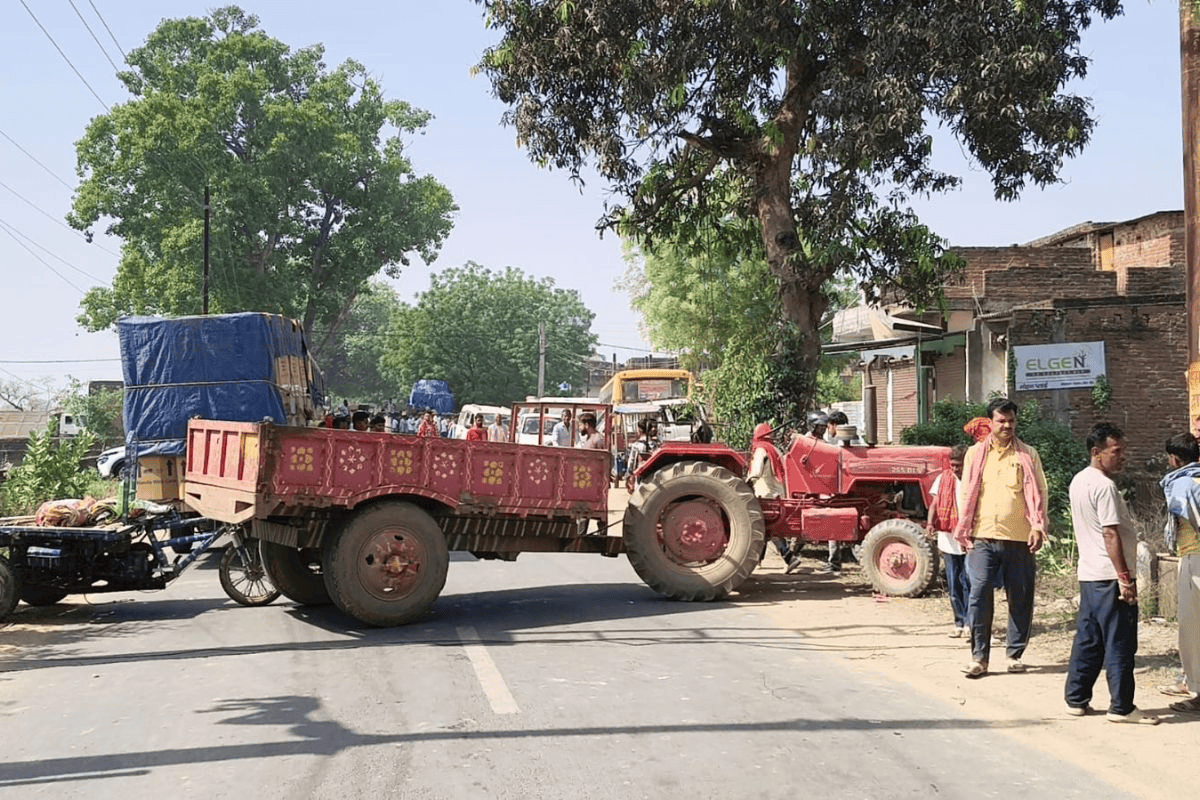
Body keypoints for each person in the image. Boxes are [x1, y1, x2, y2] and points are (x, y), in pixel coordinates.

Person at [1063, 423, 1158, 723]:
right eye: (1116, 452)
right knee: (1120, 641)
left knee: (1089, 638)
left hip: (1090, 574)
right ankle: (1122, 707)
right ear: (1096, 452)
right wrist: (1125, 578)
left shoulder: (1079, 481)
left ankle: (1076, 698)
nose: (1122, 457)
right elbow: (1110, 534)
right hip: (1108, 574)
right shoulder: (1104, 486)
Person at [953, 397, 1047, 678]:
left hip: (1019, 536)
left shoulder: (1027, 455)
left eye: (1011, 421)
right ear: (990, 423)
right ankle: (979, 658)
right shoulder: (975, 454)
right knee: (979, 594)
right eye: (1001, 421)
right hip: (981, 536)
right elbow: (965, 494)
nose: (1007, 426)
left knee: (1020, 596)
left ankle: (1014, 653)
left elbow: (1040, 491)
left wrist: (1038, 526)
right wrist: (964, 528)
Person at [1160, 432, 1200, 712]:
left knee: (1191, 627)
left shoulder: (1181, 484)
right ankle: (1190, 679)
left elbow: (1187, 516)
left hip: (1194, 557)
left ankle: (1196, 689)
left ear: (1174, 458)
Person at [929, 443, 970, 638]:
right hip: (948, 537)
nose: (955, 469)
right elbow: (935, 502)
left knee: (969, 582)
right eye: (952, 465)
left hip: (970, 537)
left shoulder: (974, 480)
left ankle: (972, 623)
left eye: (959, 465)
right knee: (954, 583)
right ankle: (959, 622)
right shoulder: (943, 479)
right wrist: (930, 523)